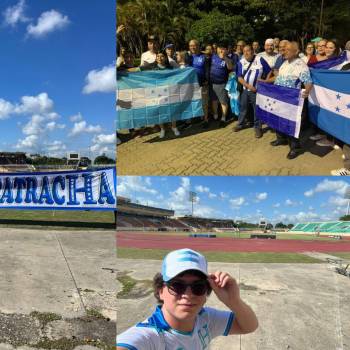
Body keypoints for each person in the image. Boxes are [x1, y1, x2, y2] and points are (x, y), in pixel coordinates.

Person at [116, 249, 258, 350]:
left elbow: (249, 326)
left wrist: (234, 301)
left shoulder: (206, 318)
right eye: (177, 286)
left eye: (198, 287)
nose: (188, 294)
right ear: (161, 292)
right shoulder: (150, 337)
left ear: (206, 293)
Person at [270, 41, 313, 159]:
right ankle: (281, 139)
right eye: (284, 49)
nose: (284, 51)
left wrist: (307, 91)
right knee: (279, 120)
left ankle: (295, 147)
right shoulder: (284, 63)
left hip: (292, 102)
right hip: (281, 99)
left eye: (288, 49)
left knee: (291, 126)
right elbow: (278, 78)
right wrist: (265, 82)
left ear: (296, 51)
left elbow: (308, 82)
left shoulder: (301, 65)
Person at [234, 45, 271, 138]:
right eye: (244, 51)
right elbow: (239, 78)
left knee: (257, 110)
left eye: (248, 51)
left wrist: (265, 81)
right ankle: (240, 124)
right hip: (246, 90)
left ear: (252, 51)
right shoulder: (241, 62)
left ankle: (257, 128)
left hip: (257, 91)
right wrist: (249, 86)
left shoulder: (260, 59)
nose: (246, 53)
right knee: (243, 108)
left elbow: (269, 71)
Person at [140, 52, 180, 138]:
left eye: (162, 56)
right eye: (157, 56)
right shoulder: (152, 68)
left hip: (169, 92)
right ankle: (162, 129)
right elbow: (138, 70)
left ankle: (174, 127)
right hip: (157, 93)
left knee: (172, 110)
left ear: (165, 58)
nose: (159, 58)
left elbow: (179, 75)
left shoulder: (170, 68)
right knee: (159, 112)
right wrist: (122, 71)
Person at [210, 43, 234, 126]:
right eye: (220, 48)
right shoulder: (213, 56)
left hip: (222, 84)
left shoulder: (228, 59)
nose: (221, 50)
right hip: (212, 84)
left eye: (223, 49)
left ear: (227, 50)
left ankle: (223, 118)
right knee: (214, 101)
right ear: (217, 49)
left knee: (223, 102)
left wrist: (225, 58)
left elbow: (230, 68)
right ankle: (215, 115)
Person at [188, 39, 211, 128]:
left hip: (202, 84)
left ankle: (206, 120)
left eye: (194, 45)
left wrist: (206, 81)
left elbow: (207, 70)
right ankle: (195, 118)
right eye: (190, 46)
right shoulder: (189, 57)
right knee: (193, 102)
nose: (192, 47)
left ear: (198, 46)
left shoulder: (204, 56)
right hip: (191, 84)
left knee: (204, 103)